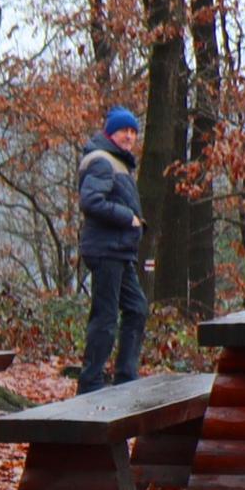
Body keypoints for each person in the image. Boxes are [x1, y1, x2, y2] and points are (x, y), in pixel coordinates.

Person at [77, 109, 147, 393]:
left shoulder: (118, 162)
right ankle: (91, 382)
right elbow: (91, 201)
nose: (129, 135)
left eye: (133, 131)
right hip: (106, 250)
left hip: (119, 251)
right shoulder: (103, 161)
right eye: (123, 131)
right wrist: (126, 217)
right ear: (110, 133)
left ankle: (125, 377)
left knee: (137, 309)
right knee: (105, 318)